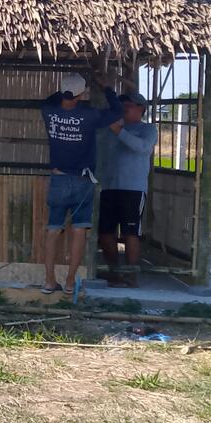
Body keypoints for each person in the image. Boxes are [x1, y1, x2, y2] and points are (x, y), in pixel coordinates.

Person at [40, 71, 123, 295]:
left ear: (62, 92)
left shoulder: (48, 112)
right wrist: (107, 88)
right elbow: (117, 111)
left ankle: (49, 281)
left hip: (58, 179)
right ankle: (69, 282)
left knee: (53, 230)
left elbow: (49, 100)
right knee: (79, 231)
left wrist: (63, 93)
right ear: (81, 95)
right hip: (82, 180)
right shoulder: (89, 115)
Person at [98, 92, 157, 288]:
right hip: (108, 187)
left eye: (128, 105)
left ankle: (131, 275)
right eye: (121, 105)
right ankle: (114, 272)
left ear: (141, 108)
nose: (124, 108)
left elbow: (141, 147)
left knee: (130, 232)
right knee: (105, 232)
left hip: (133, 189)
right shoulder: (109, 129)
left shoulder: (148, 129)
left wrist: (119, 132)